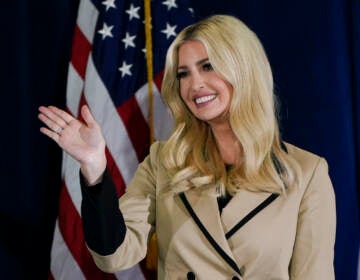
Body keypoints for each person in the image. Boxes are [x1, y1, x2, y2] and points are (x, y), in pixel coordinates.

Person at [38, 14, 336, 280]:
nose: (195, 84)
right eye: (184, 73)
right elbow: (115, 255)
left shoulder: (306, 173)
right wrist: (95, 169)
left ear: (243, 70)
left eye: (208, 67)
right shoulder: (164, 161)